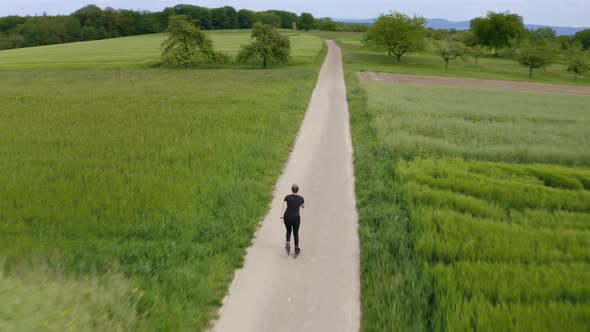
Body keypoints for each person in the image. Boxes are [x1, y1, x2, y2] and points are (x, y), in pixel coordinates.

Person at [280, 183, 305, 256]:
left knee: (288, 231)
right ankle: (296, 248)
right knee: (296, 233)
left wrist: (281, 216)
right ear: (298, 190)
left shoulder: (287, 197)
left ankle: (288, 243)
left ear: (291, 189)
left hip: (287, 216)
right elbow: (303, 206)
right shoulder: (301, 198)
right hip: (296, 217)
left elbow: (284, 207)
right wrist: (300, 204)